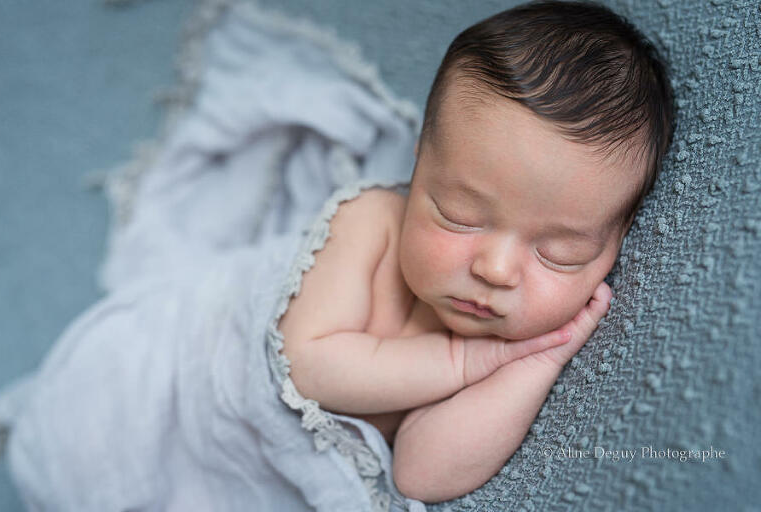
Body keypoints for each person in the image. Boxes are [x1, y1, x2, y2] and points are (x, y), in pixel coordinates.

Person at [278, 0, 675, 503]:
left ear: (616, 244)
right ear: (420, 161)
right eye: (459, 215)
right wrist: (459, 361)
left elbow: (421, 474)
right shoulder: (370, 221)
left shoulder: (514, 344)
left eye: (559, 253)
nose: (496, 270)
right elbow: (303, 365)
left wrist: (534, 365)